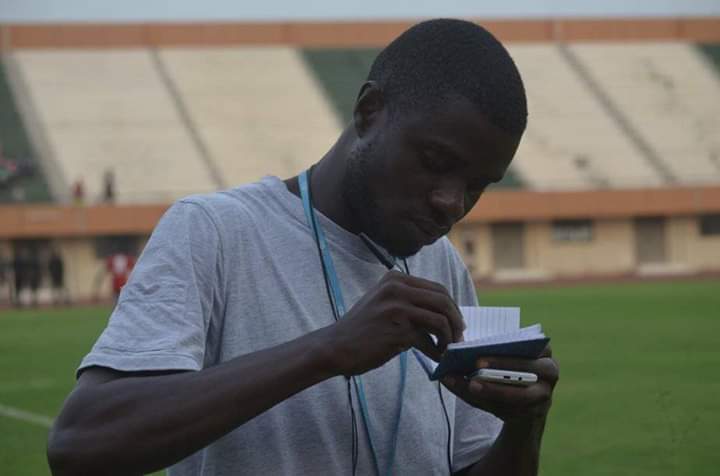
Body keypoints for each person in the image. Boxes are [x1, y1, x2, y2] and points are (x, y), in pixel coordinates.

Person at [48, 20, 559, 476]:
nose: (452, 202)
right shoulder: (216, 231)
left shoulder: (441, 263)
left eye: (477, 185)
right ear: (369, 111)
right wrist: (329, 349)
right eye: (433, 159)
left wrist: (525, 425)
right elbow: (81, 445)